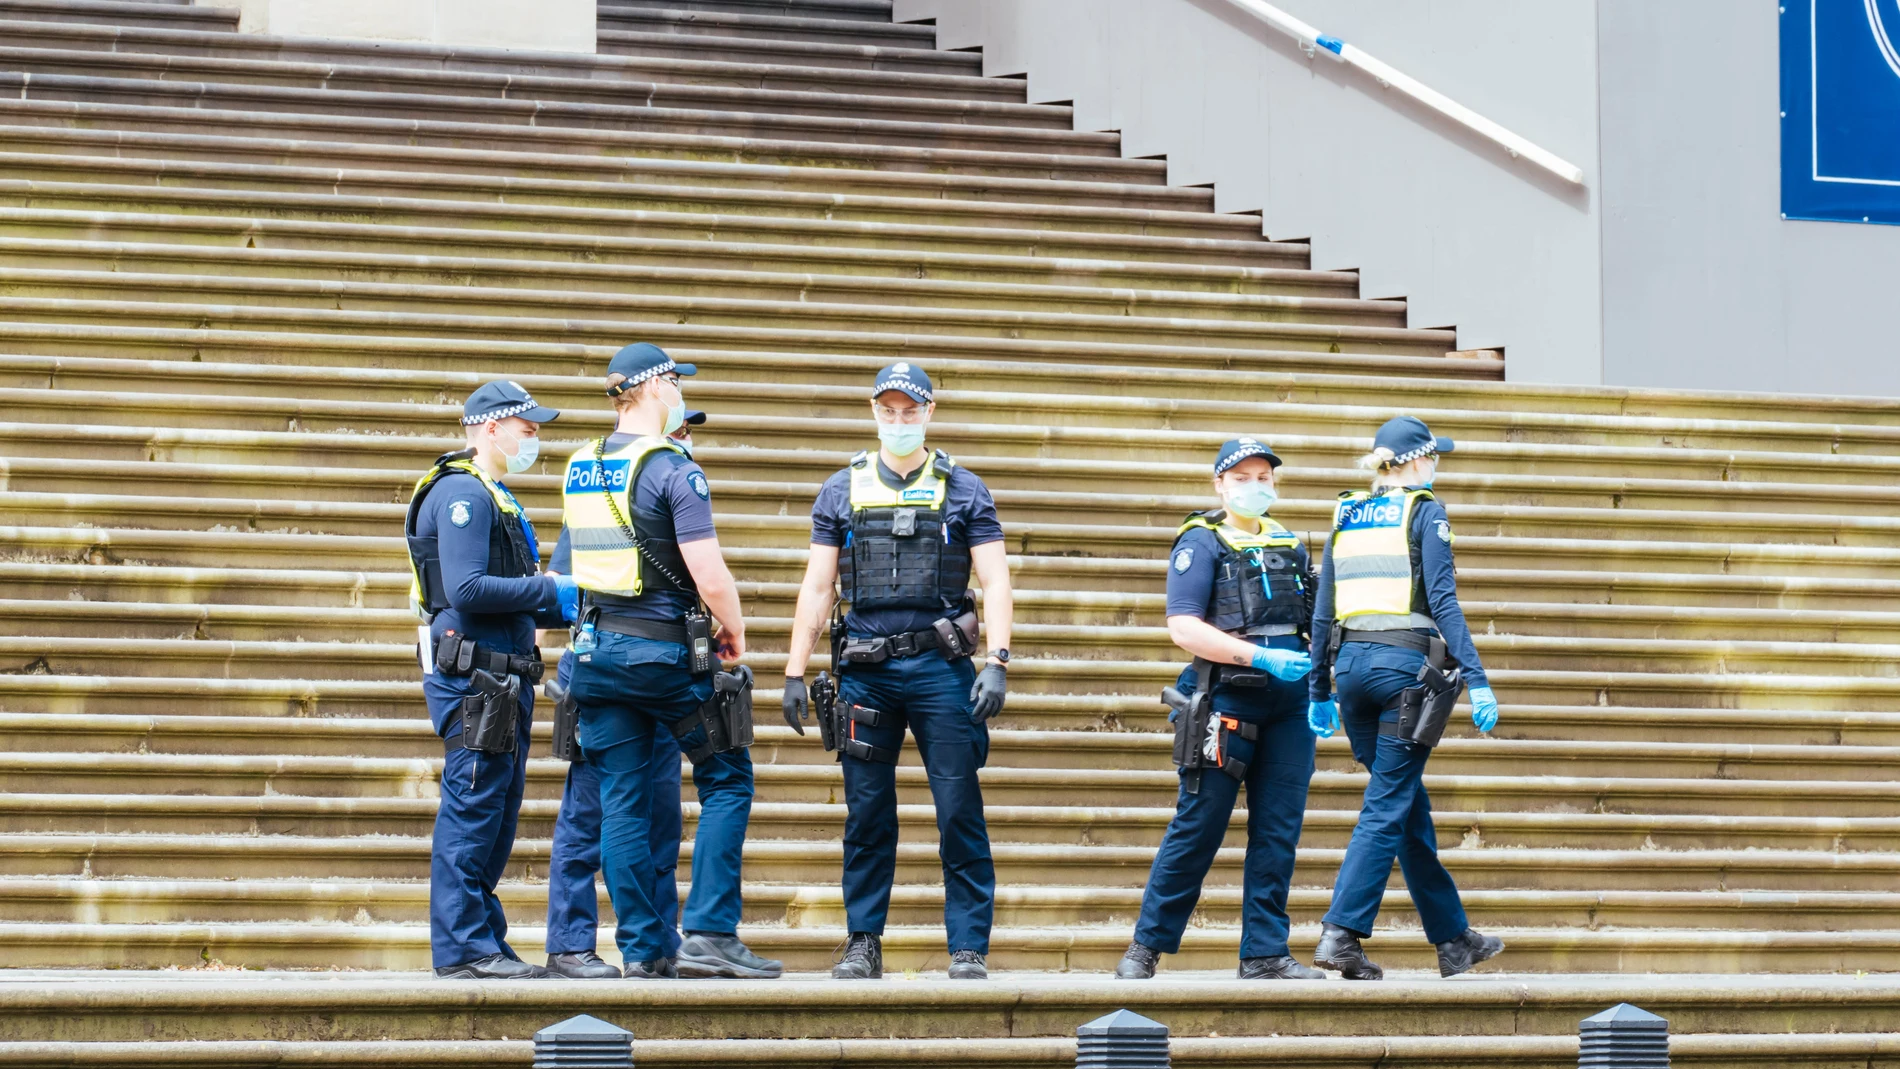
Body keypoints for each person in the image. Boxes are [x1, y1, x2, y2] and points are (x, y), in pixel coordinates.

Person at [780, 362, 1013, 981]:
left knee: (959, 807)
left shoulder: (964, 488)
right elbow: (818, 583)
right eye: (889, 410)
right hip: (866, 670)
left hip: (942, 668)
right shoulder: (841, 489)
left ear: (929, 411)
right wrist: (794, 670)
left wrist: (998, 660)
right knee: (867, 814)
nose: (900, 421)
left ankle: (967, 946)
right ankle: (863, 942)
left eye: (911, 410)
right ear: (873, 410)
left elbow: (994, 580)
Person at [561, 343, 780, 980]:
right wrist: (733, 628)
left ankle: (644, 950)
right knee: (727, 778)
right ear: (657, 388)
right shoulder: (673, 468)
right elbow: (708, 573)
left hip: (597, 653)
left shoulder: (582, 463)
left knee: (622, 802)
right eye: (676, 383)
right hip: (662, 652)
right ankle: (710, 932)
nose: (680, 393)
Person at [1113, 438, 1324, 981]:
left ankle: (1265, 952)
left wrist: (1323, 685)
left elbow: (1313, 623)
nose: (1255, 485)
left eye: (1263, 476)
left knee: (1279, 830)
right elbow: (1183, 626)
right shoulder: (1201, 542)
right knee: (1200, 824)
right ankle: (1146, 948)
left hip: (1289, 704)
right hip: (1225, 696)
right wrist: (1259, 656)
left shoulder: (1290, 543)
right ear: (1219, 484)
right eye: (1242, 477)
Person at [1306, 416, 1504, 980]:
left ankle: (1452, 940)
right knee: (1386, 806)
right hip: (1403, 675)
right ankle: (1340, 934)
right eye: (1434, 457)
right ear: (1416, 461)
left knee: (1405, 805)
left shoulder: (1347, 514)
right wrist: (1478, 676)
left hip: (1351, 674)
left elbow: (1323, 610)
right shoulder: (1425, 511)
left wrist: (1319, 689)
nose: (1436, 466)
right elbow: (1443, 602)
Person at [404, 380, 577, 979]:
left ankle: (484, 938)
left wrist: (566, 602)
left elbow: (512, 596)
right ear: (491, 427)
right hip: (473, 679)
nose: (535, 437)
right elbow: (467, 589)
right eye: (527, 428)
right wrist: (551, 589)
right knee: (474, 807)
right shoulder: (463, 494)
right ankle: (462, 950)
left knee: (497, 814)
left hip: (502, 679)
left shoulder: (495, 495)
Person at [542, 409, 707, 980]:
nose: (684, 444)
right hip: (605, 671)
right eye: (679, 432)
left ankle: (658, 943)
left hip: (661, 672)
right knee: (590, 815)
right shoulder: (604, 494)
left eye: (688, 435)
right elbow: (564, 583)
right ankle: (569, 943)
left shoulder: (675, 497)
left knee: (660, 816)